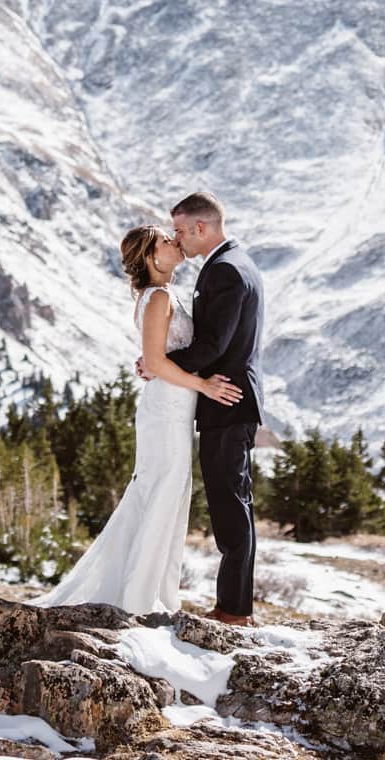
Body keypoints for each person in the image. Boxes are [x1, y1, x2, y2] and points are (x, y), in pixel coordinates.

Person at [28, 225, 241, 613]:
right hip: (166, 410)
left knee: (166, 494)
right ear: (150, 257)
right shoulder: (158, 297)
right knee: (162, 493)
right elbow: (157, 361)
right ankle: (140, 599)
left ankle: (152, 592)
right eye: (164, 240)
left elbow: (157, 359)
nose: (174, 242)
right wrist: (204, 385)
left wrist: (162, 370)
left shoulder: (161, 294)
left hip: (174, 406)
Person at [139, 191, 265, 627]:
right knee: (231, 501)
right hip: (222, 401)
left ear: (201, 228)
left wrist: (159, 364)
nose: (177, 239)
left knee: (230, 504)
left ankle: (233, 610)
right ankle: (234, 605)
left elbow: (215, 344)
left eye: (179, 231)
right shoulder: (230, 263)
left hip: (226, 400)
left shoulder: (227, 271)